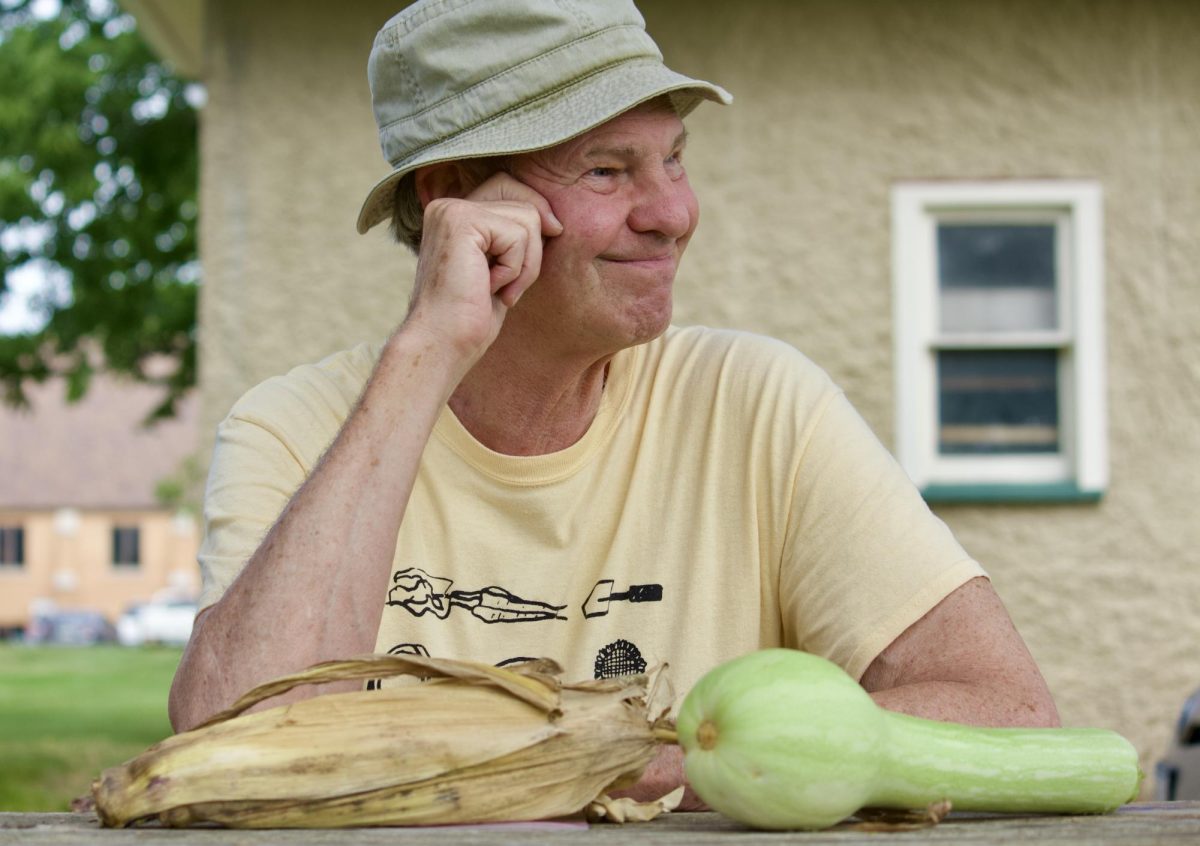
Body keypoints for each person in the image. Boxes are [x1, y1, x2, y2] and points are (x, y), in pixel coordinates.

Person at [169, 0, 1059, 807]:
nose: (673, 212)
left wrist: (597, 771)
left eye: (673, 158)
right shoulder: (290, 429)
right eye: (606, 170)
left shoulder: (755, 405)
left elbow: (1008, 711)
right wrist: (428, 352)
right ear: (452, 201)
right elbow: (229, 751)